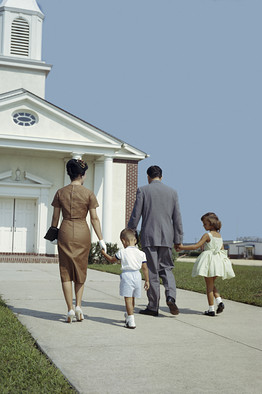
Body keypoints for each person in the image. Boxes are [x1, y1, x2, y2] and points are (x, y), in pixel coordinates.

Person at [50, 158, 106, 323]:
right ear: (82, 174)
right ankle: (79, 306)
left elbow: (55, 217)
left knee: (65, 271)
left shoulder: (60, 192)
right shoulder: (88, 193)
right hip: (83, 231)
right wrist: (101, 239)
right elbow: (94, 219)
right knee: (80, 269)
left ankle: (69, 310)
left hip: (65, 230)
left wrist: (53, 236)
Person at [128, 165, 183, 316]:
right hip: (167, 237)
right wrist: (178, 239)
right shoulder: (172, 192)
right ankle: (171, 295)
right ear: (161, 176)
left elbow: (136, 215)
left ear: (148, 176)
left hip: (149, 236)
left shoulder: (143, 190)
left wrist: (130, 232)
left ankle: (153, 306)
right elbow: (177, 218)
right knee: (166, 268)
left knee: (152, 271)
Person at [178, 212, 235, 316]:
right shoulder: (219, 236)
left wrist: (182, 248)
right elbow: (221, 249)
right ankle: (220, 302)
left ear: (211, 224)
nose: (203, 226)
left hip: (210, 262)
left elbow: (196, 246)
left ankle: (211, 309)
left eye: (205, 224)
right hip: (218, 262)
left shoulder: (207, 235)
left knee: (209, 287)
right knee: (212, 284)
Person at [101, 228, 150, 329]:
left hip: (127, 275)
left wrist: (103, 253)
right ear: (135, 240)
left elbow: (111, 260)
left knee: (127, 298)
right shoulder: (141, 253)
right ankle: (129, 314)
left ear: (123, 241)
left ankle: (131, 320)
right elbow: (145, 268)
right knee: (132, 297)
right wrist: (147, 281)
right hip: (137, 275)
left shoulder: (122, 252)